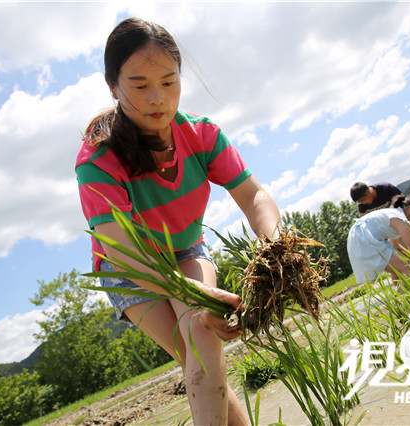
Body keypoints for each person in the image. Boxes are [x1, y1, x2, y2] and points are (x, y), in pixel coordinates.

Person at [75, 18, 280, 425]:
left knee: (200, 347)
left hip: (185, 247)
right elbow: (130, 256)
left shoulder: (201, 135)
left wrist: (274, 244)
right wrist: (196, 294)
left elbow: (254, 195)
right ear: (113, 86)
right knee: (197, 350)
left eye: (169, 83)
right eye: (139, 85)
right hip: (130, 267)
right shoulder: (97, 161)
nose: (157, 98)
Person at [347, 190, 410, 284]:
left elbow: (395, 246)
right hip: (363, 239)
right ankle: (406, 297)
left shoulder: (397, 214)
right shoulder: (403, 222)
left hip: (358, 237)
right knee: (407, 270)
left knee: (398, 270)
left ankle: (400, 293)